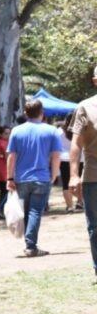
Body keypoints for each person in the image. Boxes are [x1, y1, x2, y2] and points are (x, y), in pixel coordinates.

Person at [6, 99, 61, 257]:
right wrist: (54, 175)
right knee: (35, 211)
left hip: (21, 178)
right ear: (42, 113)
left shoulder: (16, 131)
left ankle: (29, 243)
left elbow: (11, 157)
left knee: (25, 211)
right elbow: (56, 156)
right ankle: (31, 245)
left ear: (25, 113)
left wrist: (9, 178)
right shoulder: (52, 131)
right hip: (42, 177)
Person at [69, 69, 97, 277]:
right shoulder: (85, 107)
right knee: (95, 227)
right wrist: (73, 174)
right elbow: (76, 143)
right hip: (93, 176)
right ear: (95, 81)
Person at [58, 115, 82, 213]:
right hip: (80, 158)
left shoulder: (59, 131)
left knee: (65, 183)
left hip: (64, 158)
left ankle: (69, 206)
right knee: (79, 181)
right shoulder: (80, 129)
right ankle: (80, 202)